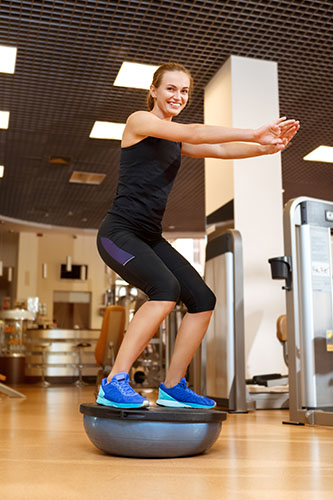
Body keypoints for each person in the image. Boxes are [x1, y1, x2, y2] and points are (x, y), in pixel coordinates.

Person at [96, 62, 299, 410]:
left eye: (184, 91)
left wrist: (264, 147)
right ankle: (114, 381)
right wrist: (253, 131)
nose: (178, 96)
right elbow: (193, 133)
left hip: (149, 236)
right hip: (118, 233)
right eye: (171, 88)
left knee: (202, 299)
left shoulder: (174, 141)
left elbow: (219, 150)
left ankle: (173, 386)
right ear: (154, 91)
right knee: (165, 290)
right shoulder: (139, 122)